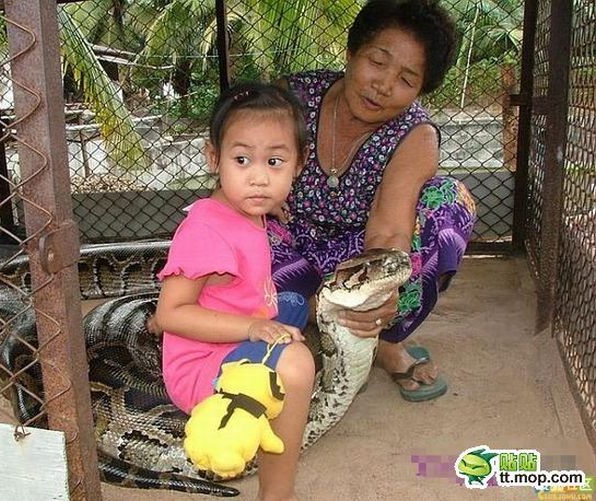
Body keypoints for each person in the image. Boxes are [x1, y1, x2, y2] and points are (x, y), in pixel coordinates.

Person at [268, 0, 476, 402]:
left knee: (448, 203)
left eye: (406, 79)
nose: (383, 85)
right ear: (351, 54)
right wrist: (262, 190)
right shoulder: (291, 98)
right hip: (286, 244)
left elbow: (390, 227)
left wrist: (381, 290)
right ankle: (305, 328)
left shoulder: (415, 135)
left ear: (419, 90)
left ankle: (381, 341)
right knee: (239, 218)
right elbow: (244, 159)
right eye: (377, 62)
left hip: (357, 253)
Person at [155, 82, 315, 501]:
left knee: (296, 302)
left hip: (235, 335)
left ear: (297, 166)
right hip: (202, 366)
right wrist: (251, 329)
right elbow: (171, 313)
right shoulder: (206, 230)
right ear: (214, 158)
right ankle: (277, 494)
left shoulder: (246, 208)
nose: (259, 177)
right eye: (241, 159)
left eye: (275, 162)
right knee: (296, 365)